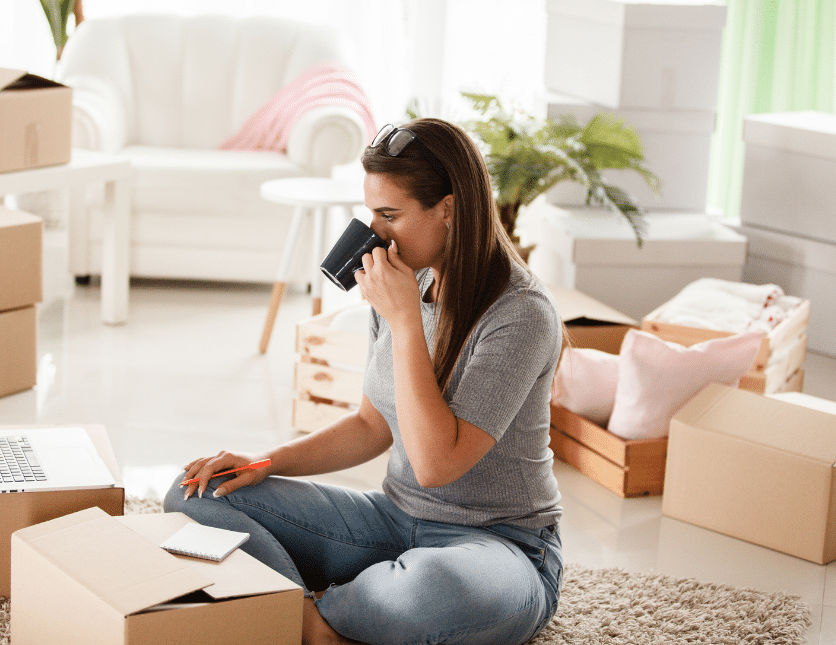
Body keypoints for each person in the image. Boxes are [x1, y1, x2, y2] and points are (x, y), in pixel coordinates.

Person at [163, 118, 565, 645]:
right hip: (394, 522)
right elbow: (370, 426)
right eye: (371, 212)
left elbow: (437, 464)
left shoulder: (521, 314)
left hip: (501, 546)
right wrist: (264, 462)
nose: (374, 232)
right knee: (197, 493)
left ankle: (301, 611)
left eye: (390, 215)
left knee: (434, 593)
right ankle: (325, 620)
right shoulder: (404, 278)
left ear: (449, 209)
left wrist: (404, 324)